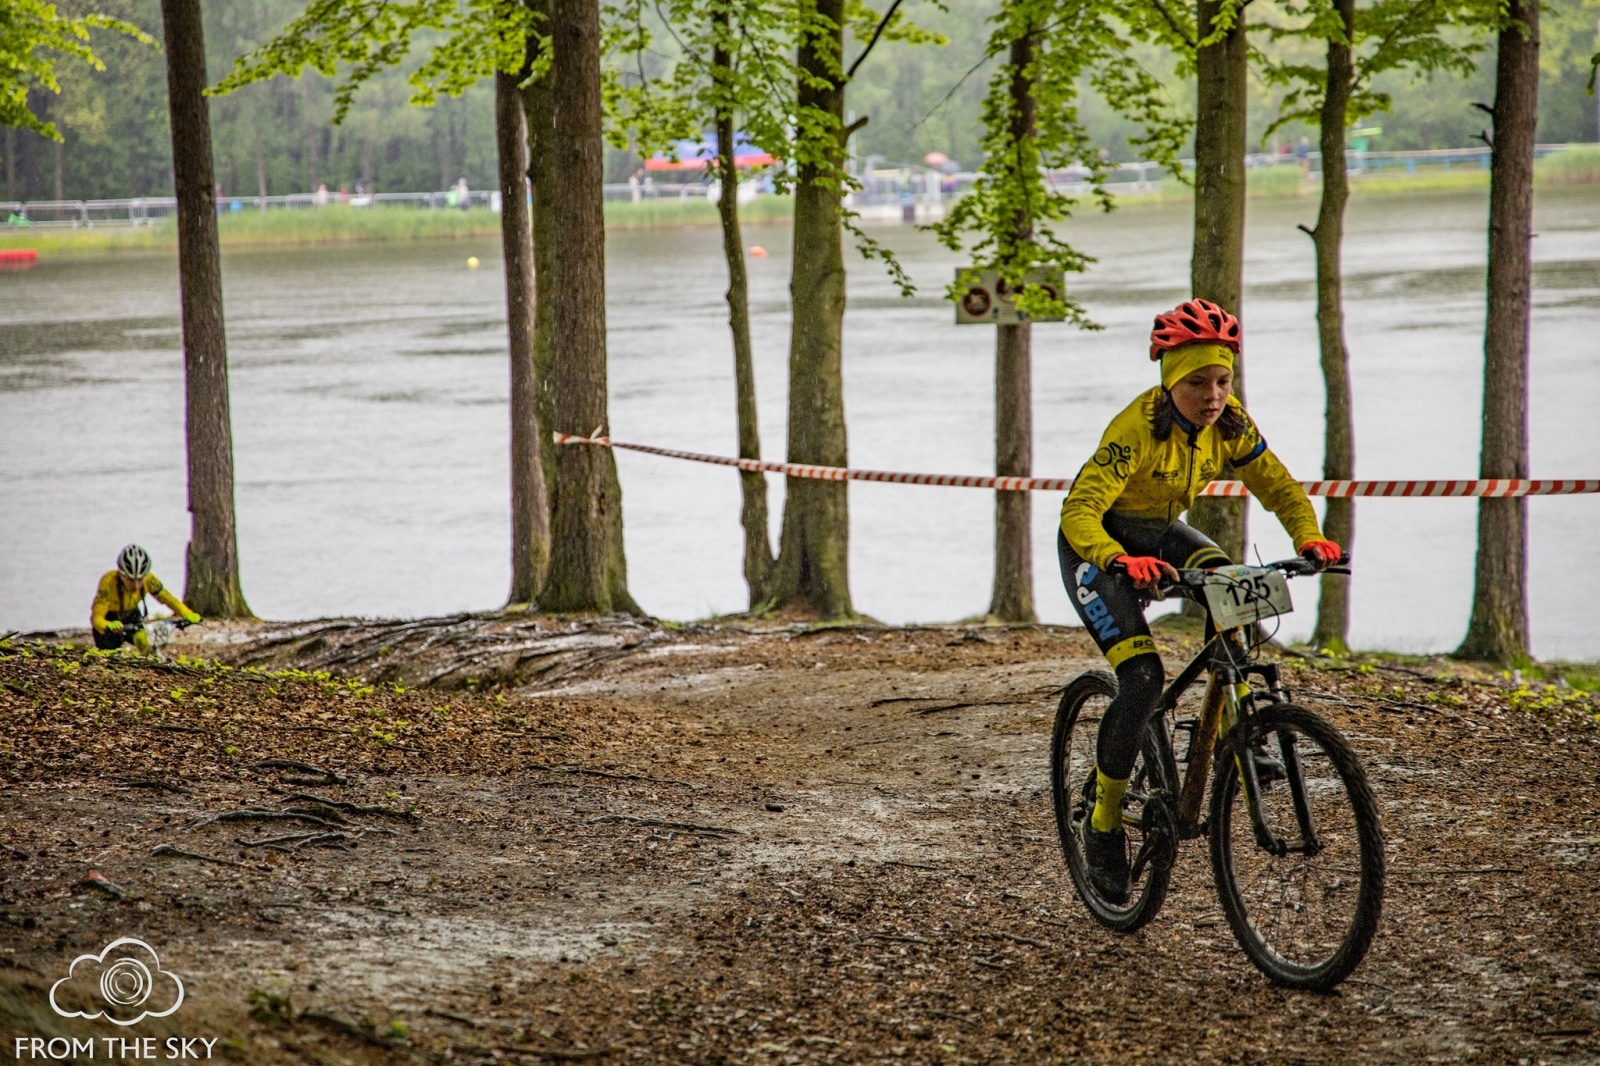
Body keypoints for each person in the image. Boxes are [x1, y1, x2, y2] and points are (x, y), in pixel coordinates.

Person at [1057, 299, 1341, 904]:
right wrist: (1116, 560)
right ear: (1170, 381)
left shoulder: (1230, 423)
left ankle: (1242, 733)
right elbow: (1079, 510)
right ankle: (1103, 823)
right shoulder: (1136, 428)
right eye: (1197, 383)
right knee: (1142, 679)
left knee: (1232, 586)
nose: (1212, 396)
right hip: (1097, 547)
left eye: (1222, 380)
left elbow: (1279, 486)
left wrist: (1308, 537)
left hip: (1162, 533)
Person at [90, 545, 201, 654]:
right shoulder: (108, 582)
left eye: (140, 580)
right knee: (110, 655)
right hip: (109, 619)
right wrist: (106, 625)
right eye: (130, 580)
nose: (136, 585)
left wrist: (186, 613)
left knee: (144, 641)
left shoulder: (149, 579)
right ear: (121, 575)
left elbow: (167, 598)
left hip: (131, 614)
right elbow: (96, 617)